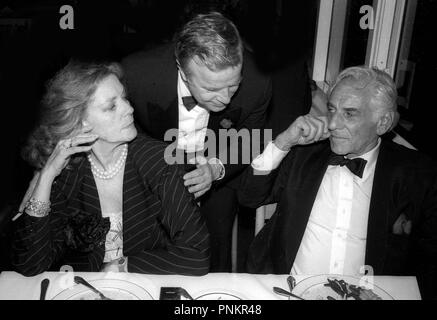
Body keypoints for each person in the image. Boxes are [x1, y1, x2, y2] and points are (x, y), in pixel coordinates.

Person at [239, 66, 437, 299]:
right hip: (287, 288)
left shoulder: (417, 173)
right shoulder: (306, 152)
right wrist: (283, 142)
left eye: (349, 113)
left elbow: (429, 256)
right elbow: (249, 197)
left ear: (382, 123)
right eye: (331, 109)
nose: (332, 124)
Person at [11, 61, 210, 276]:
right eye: (111, 106)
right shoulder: (67, 171)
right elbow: (29, 264)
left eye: (124, 98)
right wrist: (46, 177)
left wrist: (121, 267)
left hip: (145, 285)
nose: (130, 109)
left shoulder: (160, 162)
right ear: (81, 122)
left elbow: (196, 256)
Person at [122, 12, 272, 272]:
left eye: (232, 87)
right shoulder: (137, 75)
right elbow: (123, 133)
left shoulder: (258, 83)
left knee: (214, 252)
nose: (225, 100)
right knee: (148, 252)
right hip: (153, 169)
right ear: (182, 69)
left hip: (219, 170)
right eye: (212, 90)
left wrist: (216, 168)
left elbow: (251, 137)